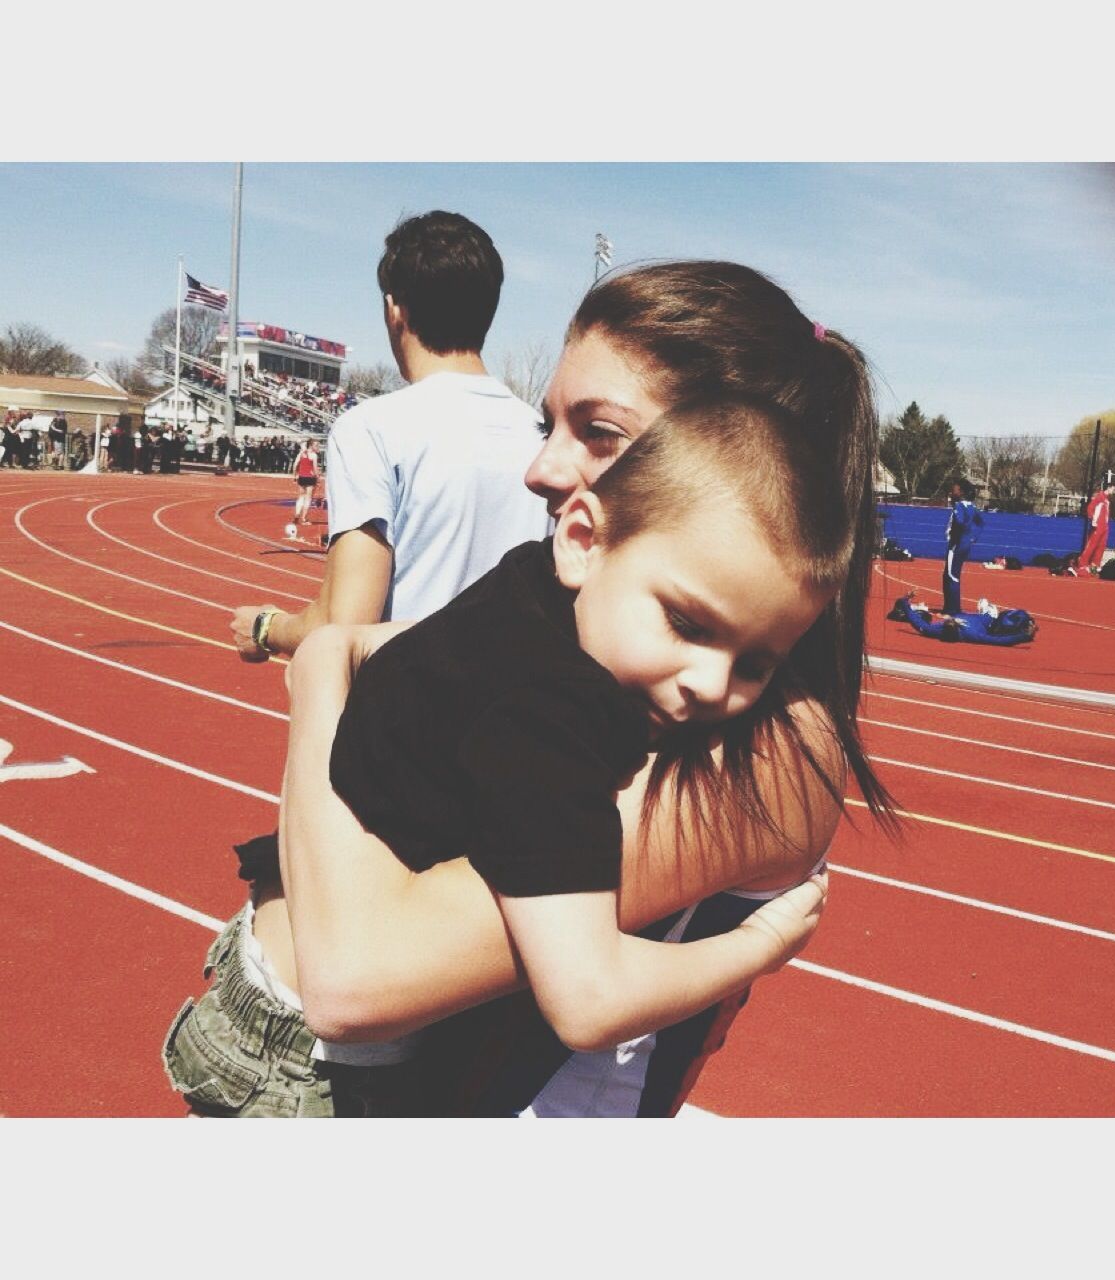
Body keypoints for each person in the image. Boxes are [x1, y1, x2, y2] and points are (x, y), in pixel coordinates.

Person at [175, 259, 890, 1119]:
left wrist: (323, 677)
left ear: (730, 458)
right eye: (552, 424)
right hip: (274, 1024)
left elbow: (356, 980)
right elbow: (367, 655)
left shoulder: (772, 750)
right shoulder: (575, 627)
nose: (542, 471)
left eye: (599, 433)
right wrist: (325, 658)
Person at [230, 210, 548, 662]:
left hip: (415, 707)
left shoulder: (371, 429)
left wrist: (267, 628)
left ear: (394, 310)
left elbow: (345, 623)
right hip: (519, 707)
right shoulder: (543, 435)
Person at [942, 477, 983, 615]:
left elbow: (959, 521)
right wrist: (973, 537)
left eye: (955, 489)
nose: (952, 491)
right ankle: (951, 607)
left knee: (951, 576)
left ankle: (952, 610)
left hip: (956, 544)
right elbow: (980, 523)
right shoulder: (972, 507)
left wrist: (958, 535)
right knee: (951, 575)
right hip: (965, 544)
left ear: (961, 492)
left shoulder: (959, 506)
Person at [1080, 481, 1115, 573]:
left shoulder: (1107, 500)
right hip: (1098, 526)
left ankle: (1095, 565)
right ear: (1108, 487)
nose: (1114, 491)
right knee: (1091, 545)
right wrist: (1094, 521)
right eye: (1113, 489)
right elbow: (1090, 508)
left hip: (1105, 526)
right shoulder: (1099, 496)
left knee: (1101, 546)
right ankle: (1083, 564)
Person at [291, 438, 321, 524]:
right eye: (316, 445)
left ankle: (297, 514)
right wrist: (318, 479)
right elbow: (315, 469)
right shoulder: (314, 455)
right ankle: (304, 518)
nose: (317, 447)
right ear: (311, 446)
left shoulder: (301, 453)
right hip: (310, 478)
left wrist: (294, 476)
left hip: (301, 477)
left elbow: (295, 465)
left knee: (300, 497)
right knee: (308, 499)